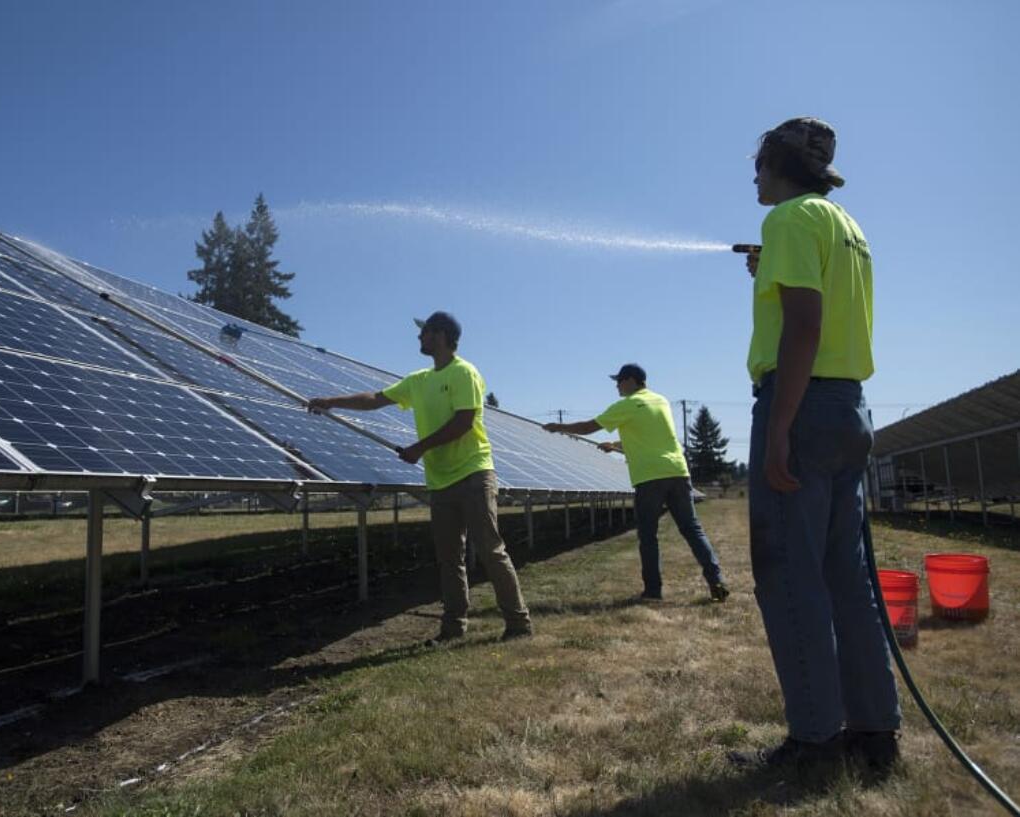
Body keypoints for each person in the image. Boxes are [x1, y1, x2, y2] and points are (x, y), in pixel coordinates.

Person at [730, 117, 901, 772]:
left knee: (789, 574)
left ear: (780, 166)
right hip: (848, 406)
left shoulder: (789, 221)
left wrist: (778, 430)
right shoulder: (844, 226)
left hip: (799, 404)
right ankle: (873, 733)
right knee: (846, 577)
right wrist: (768, 270)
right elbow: (815, 302)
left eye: (760, 163)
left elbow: (803, 326)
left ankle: (813, 743)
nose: (754, 176)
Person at [307, 311, 532, 644]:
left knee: (490, 549)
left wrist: (419, 448)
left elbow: (464, 422)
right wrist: (332, 402)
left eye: (423, 332)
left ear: (439, 334)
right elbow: (376, 399)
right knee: (449, 558)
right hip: (440, 481)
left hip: (473, 473)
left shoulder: (463, 372)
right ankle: (453, 628)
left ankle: (518, 623)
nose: (418, 338)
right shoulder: (418, 380)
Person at [544, 364, 729, 602]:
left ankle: (653, 591)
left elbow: (589, 426)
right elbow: (650, 437)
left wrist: (559, 427)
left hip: (650, 477)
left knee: (648, 535)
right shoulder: (660, 400)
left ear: (631, 380)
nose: (617, 386)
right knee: (692, 529)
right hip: (677, 471)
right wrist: (615, 445)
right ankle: (716, 580)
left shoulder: (627, 404)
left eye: (619, 381)